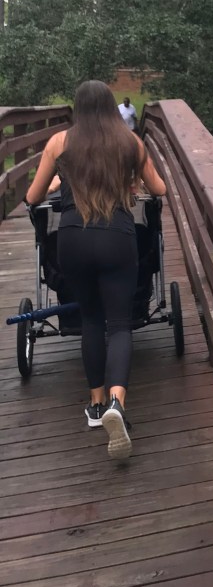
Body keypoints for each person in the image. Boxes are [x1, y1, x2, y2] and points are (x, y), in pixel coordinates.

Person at [25, 80, 166, 460]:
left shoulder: (59, 143)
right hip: (118, 238)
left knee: (91, 321)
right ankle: (118, 403)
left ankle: (96, 405)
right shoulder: (130, 144)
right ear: (109, 108)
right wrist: (132, 181)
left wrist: (59, 181)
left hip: (73, 239)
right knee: (119, 325)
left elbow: (33, 197)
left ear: (77, 109)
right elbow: (161, 188)